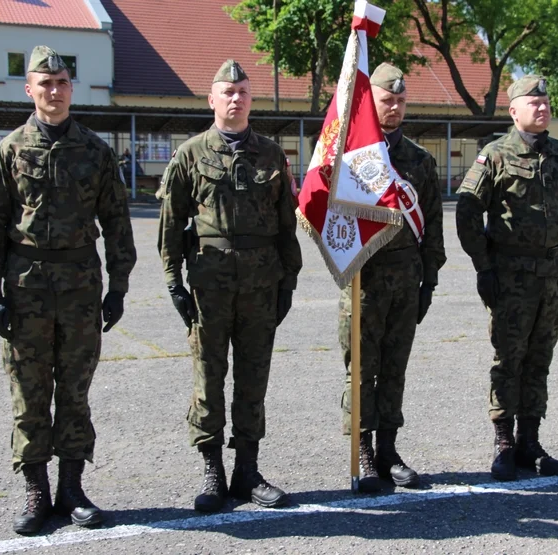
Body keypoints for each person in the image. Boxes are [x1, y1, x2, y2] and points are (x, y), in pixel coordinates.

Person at [0, 46, 136, 534]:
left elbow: (117, 223)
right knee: (29, 391)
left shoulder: (95, 150)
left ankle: (71, 488)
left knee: (75, 390)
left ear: (71, 88)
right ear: (30, 90)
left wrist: (119, 286)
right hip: (27, 289)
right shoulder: (11, 150)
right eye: (45, 83)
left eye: (62, 82)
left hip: (82, 286)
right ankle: (36, 491)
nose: (55, 91)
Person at [157, 60, 302, 512]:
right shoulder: (190, 154)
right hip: (209, 286)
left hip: (261, 285)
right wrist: (174, 283)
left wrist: (289, 280)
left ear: (249, 98)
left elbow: (285, 226)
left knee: (254, 379)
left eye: (242, 91)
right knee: (209, 379)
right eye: (227, 91)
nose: (235, 98)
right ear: (212, 100)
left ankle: (247, 471)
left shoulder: (272, 155)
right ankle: (212, 471)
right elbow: (170, 224)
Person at [455, 75, 558, 482]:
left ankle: (530, 440)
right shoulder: (495, 155)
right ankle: (504, 443)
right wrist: (484, 266)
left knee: (539, 360)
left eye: (546, 101)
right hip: (512, 277)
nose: (542, 107)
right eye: (533, 103)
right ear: (514, 111)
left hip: (553, 275)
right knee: (508, 360)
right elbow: (466, 210)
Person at [339, 63, 446, 492]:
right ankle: (362, 451)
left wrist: (430, 281)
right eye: (388, 100)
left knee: (395, 369)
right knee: (363, 371)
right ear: (372, 102)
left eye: (401, 100)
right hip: (364, 280)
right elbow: (332, 221)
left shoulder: (419, 160)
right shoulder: (353, 158)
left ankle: (388, 449)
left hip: (406, 280)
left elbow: (433, 223)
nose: (396, 106)